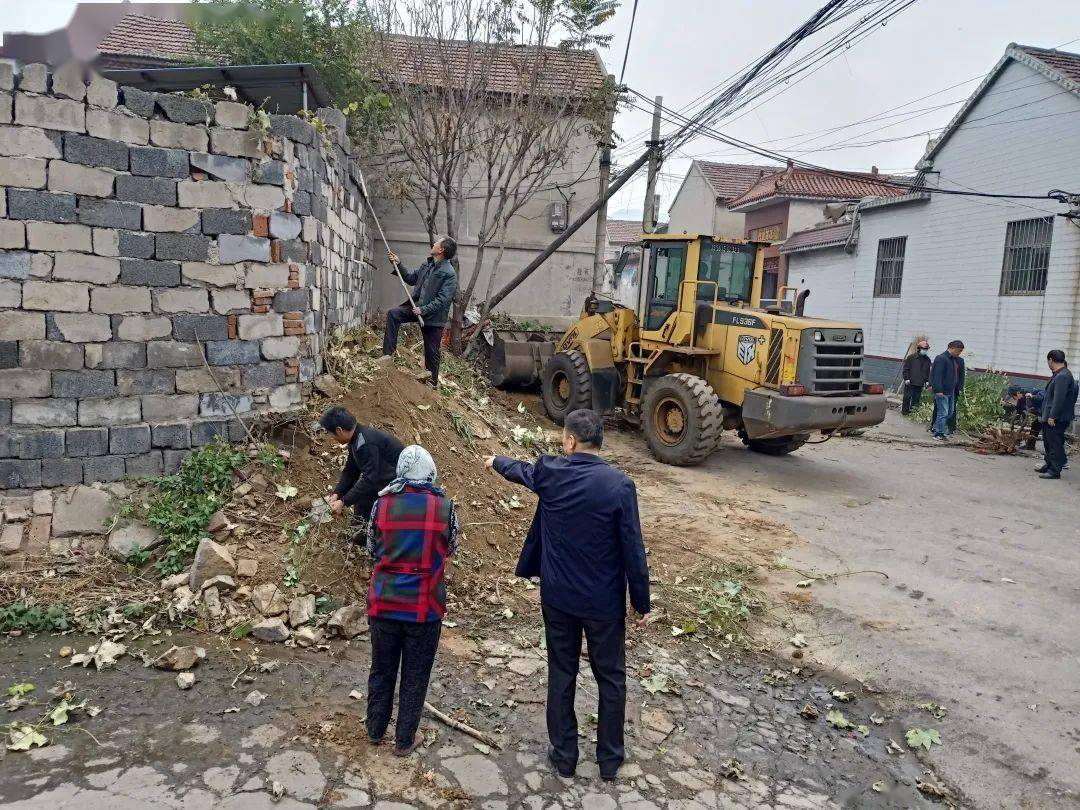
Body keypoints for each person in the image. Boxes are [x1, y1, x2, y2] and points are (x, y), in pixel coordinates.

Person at [484, 409, 650, 782]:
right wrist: (641, 602)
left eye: (564, 438)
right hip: (604, 604)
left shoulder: (551, 472)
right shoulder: (620, 485)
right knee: (611, 677)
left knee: (562, 672)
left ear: (571, 441)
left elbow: (521, 471)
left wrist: (495, 460)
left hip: (558, 598)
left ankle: (564, 757)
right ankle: (609, 759)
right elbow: (632, 548)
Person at [364, 446, 458, 754]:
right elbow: (451, 547)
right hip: (424, 607)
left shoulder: (381, 504)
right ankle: (404, 741)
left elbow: (370, 549)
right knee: (415, 674)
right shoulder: (444, 506)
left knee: (381, 668)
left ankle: (375, 731)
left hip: (384, 603)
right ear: (429, 472)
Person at [383, 237, 459, 387]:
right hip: (416, 308)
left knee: (432, 352)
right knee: (393, 314)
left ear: (441, 250)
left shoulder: (449, 273)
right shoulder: (427, 264)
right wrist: (399, 264)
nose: (434, 243)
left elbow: (443, 300)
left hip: (433, 316)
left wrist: (423, 310)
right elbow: (411, 279)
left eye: (437, 242)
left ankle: (432, 383)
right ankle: (387, 356)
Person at [320, 407, 404, 536]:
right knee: (362, 493)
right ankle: (361, 534)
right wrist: (337, 494)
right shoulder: (357, 439)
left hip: (399, 481)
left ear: (339, 430)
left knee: (365, 497)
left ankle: (366, 537)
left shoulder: (365, 443)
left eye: (330, 433)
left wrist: (344, 502)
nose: (331, 438)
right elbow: (351, 471)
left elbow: (370, 478)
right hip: (383, 476)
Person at [1035, 350, 1078, 480]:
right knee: (1048, 442)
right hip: (1052, 416)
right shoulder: (1059, 374)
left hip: (1056, 418)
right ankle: (1048, 465)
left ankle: (1054, 470)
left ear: (1051, 360)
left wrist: (1053, 416)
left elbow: (1059, 398)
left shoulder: (1063, 376)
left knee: (1055, 444)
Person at [930, 340, 966, 440]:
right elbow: (936, 376)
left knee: (950, 412)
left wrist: (959, 388)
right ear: (953, 348)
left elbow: (959, 376)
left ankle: (937, 429)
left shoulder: (954, 360)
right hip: (942, 391)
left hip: (951, 391)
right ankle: (938, 433)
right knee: (943, 413)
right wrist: (938, 390)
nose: (959, 353)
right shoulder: (941, 358)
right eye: (958, 351)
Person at [901, 339, 932, 415]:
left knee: (916, 398)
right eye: (923, 349)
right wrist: (906, 378)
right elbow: (906, 369)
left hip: (920, 382)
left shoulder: (927, 360)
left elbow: (927, 371)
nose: (925, 350)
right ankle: (905, 411)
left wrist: (927, 381)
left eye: (926, 349)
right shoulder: (911, 357)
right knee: (907, 397)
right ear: (919, 349)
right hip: (910, 381)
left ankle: (913, 412)